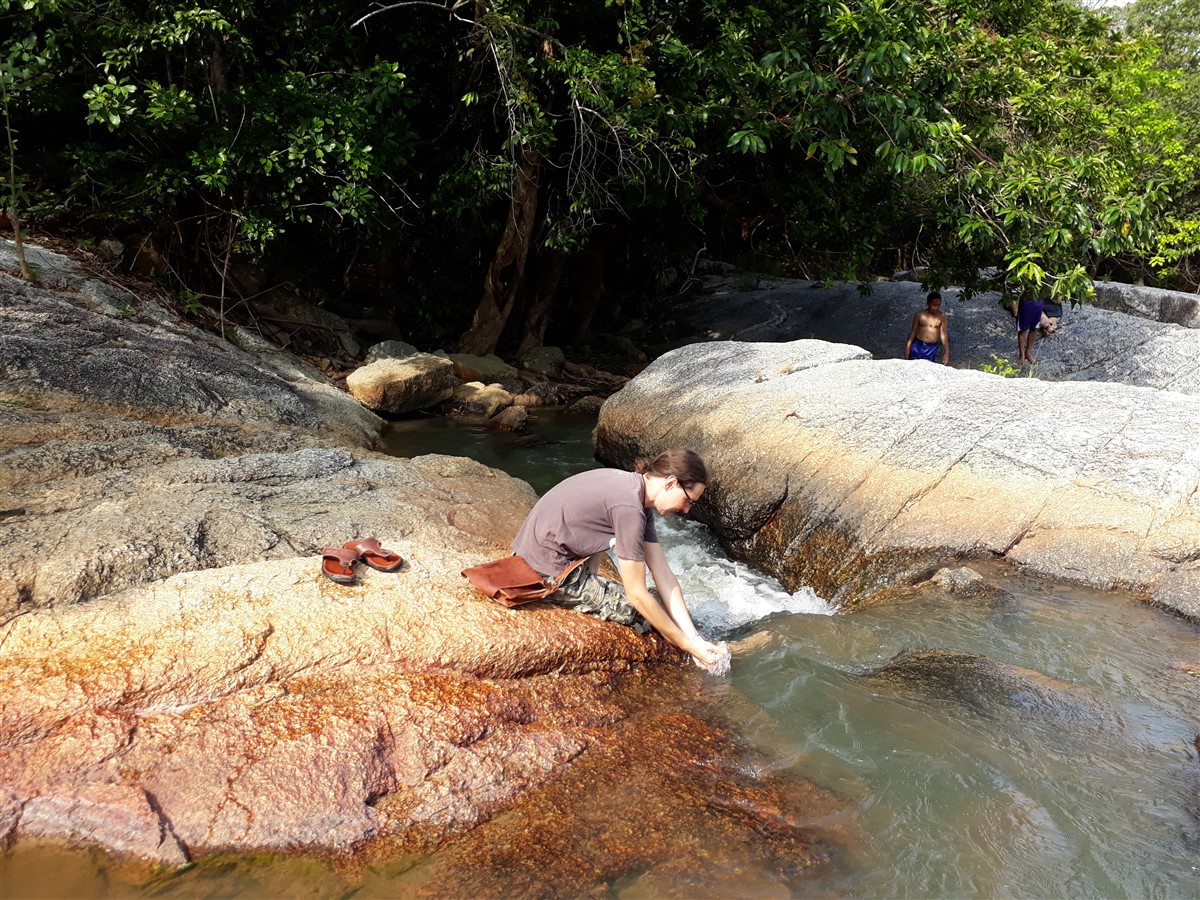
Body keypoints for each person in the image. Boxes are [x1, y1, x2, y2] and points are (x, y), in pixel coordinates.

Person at [512, 449, 727, 671]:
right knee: (645, 613)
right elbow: (637, 596)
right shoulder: (629, 508)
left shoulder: (635, 492)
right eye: (688, 500)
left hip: (544, 554)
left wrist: (693, 637)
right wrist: (689, 646)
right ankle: (705, 649)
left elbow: (662, 570)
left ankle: (700, 640)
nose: (685, 510)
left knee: (659, 604)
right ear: (671, 483)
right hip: (547, 572)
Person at [905, 291, 950, 365]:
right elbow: (913, 331)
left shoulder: (942, 317)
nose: (936, 308)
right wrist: (908, 348)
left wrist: (946, 353)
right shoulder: (919, 314)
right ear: (928, 304)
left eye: (938, 305)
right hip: (917, 346)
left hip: (931, 348)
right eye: (934, 305)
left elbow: (943, 335)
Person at [1016, 291, 1045, 365]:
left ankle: (1028, 352)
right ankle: (1022, 354)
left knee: (1034, 327)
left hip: (1039, 299)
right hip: (1026, 299)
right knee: (1022, 328)